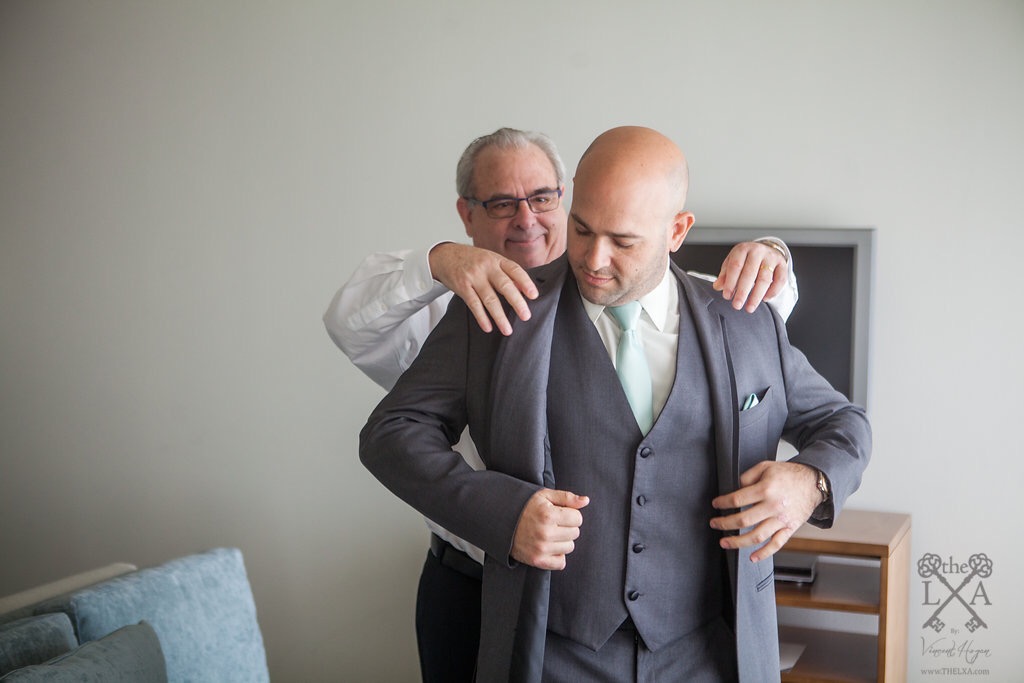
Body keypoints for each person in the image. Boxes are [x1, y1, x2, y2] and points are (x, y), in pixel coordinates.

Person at [358, 126, 871, 682]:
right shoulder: (499, 313)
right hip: (549, 655)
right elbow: (391, 433)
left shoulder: (744, 322)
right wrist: (503, 514)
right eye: (581, 229)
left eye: (623, 242)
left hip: (709, 656)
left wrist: (810, 484)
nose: (594, 258)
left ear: (677, 231)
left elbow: (843, 423)